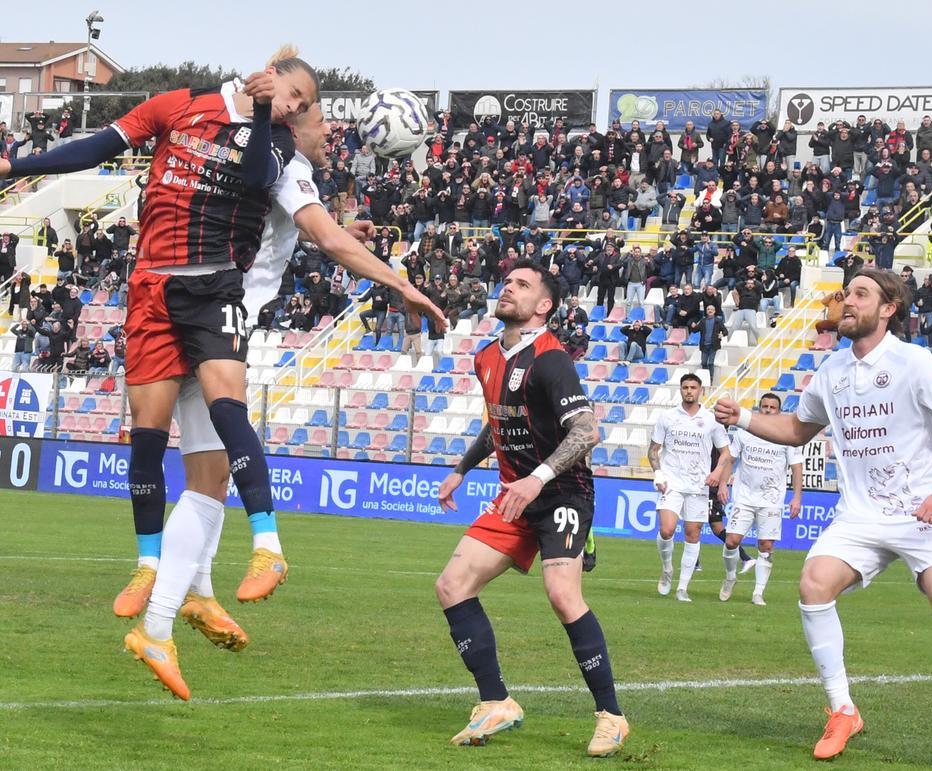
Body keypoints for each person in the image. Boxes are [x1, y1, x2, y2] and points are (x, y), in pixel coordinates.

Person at [0, 49, 320, 691]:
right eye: (296, 96)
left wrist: (266, 116)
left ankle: (254, 554)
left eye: (304, 107)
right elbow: (99, 146)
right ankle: (170, 580)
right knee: (158, 444)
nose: (300, 110)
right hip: (156, 289)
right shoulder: (184, 106)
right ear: (267, 75)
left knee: (220, 440)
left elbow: (263, 181)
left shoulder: (278, 143)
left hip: (216, 293)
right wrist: (16, 165)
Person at [114, 104, 445, 699]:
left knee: (209, 478)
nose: (332, 133)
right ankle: (166, 618)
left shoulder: (263, 161)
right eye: (322, 122)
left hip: (185, 307)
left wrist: (333, 232)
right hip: (212, 318)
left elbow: (293, 227)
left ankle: (194, 594)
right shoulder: (287, 164)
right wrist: (400, 283)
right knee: (211, 476)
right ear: (295, 124)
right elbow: (327, 237)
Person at [712, 268, 932, 762]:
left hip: (920, 514)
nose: (847, 301)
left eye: (861, 294)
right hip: (859, 516)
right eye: (846, 292)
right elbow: (797, 429)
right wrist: (742, 417)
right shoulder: (831, 370)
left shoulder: (915, 362)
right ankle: (843, 711)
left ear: (888, 308)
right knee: (813, 584)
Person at [433, 260, 628, 757]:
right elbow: (500, 420)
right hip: (514, 495)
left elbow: (586, 431)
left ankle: (611, 716)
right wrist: (462, 468)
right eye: (507, 282)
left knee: (562, 594)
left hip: (562, 492)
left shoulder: (551, 359)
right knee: (452, 586)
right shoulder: (486, 357)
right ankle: (496, 702)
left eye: (522, 285)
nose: (508, 288)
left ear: (544, 305)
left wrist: (537, 479)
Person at [650, 373, 732, 602]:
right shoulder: (667, 417)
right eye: (685, 387)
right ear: (680, 390)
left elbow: (726, 453)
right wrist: (658, 474)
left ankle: (682, 588)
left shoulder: (711, 420)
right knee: (667, 530)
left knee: (692, 533)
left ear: (700, 391)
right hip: (672, 482)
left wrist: (716, 473)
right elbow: (653, 449)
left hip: (698, 485)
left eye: (693, 387)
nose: (689, 391)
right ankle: (667, 569)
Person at [718, 390, 802, 606]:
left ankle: (758, 592)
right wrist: (723, 484)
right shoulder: (744, 433)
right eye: (765, 406)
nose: (768, 410)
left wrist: (797, 497)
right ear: (759, 408)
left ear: (779, 412)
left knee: (766, 545)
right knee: (731, 541)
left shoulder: (787, 437)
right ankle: (730, 576)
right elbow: (730, 459)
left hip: (771, 499)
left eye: (772, 408)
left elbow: (796, 467)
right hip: (744, 497)